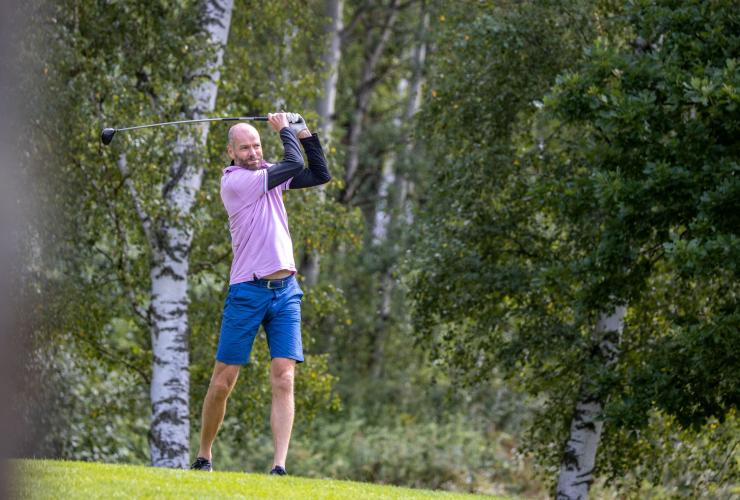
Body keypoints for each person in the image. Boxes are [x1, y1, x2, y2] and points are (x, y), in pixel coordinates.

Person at [190, 112, 331, 475]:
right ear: (231, 152)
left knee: (284, 377)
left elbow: (319, 173)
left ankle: (279, 466)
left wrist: (303, 131)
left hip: (285, 292)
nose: (253, 153)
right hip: (248, 291)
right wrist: (284, 129)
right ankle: (204, 456)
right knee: (223, 381)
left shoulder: (268, 174)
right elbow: (294, 163)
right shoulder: (237, 182)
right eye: (244, 148)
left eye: (256, 145)